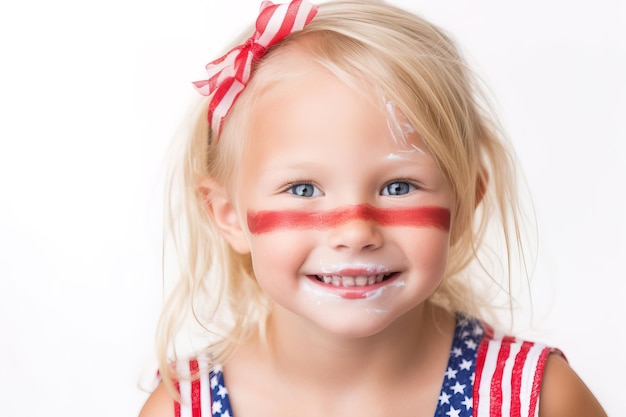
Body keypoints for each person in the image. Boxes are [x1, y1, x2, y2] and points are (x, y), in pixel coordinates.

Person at [139, 1, 606, 416]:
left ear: (465, 202)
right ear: (227, 216)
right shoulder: (183, 408)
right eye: (302, 189)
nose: (355, 230)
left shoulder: (538, 400)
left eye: (399, 186)